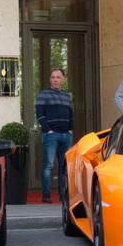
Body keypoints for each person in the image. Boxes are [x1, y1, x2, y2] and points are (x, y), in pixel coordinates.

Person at [36, 69, 73, 204]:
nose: (55, 79)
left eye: (58, 77)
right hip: (51, 135)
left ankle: (63, 195)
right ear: (50, 80)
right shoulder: (43, 95)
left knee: (63, 167)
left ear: (63, 79)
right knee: (49, 165)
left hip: (66, 136)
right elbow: (39, 114)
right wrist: (48, 130)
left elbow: (71, 115)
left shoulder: (66, 96)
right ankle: (46, 194)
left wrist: (70, 130)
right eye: (53, 77)